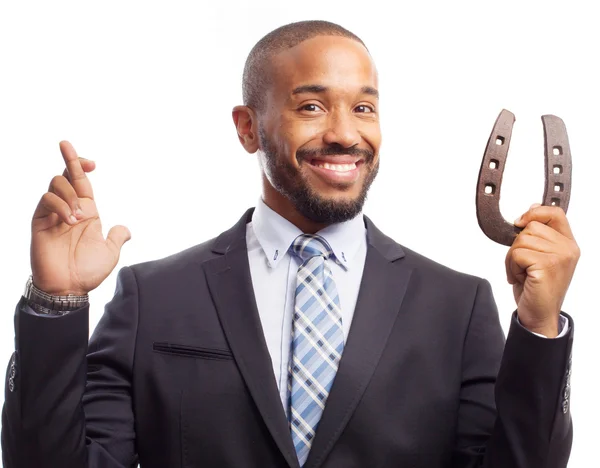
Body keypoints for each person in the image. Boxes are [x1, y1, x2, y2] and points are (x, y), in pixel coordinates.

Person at [1, 20, 578, 468]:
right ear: (248, 127)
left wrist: (540, 326)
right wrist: (55, 304)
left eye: (364, 108)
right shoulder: (152, 296)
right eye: (311, 106)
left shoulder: (458, 306)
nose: (346, 134)